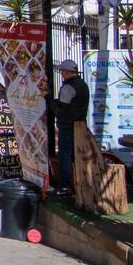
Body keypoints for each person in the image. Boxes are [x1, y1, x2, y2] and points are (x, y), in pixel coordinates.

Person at [49, 59, 89, 192]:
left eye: (62, 71)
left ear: (66, 72)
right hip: (80, 124)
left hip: (67, 125)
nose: (61, 74)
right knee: (76, 154)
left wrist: (48, 100)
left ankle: (64, 185)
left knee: (65, 155)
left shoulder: (68, 87)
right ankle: (78, 183)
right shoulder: (83, 84)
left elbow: (61, 108)